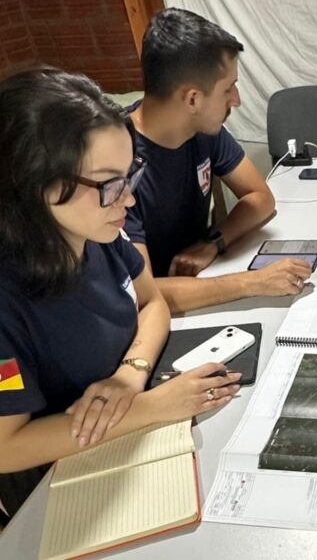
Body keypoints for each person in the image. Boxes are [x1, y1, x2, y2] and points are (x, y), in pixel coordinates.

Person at [0, 68, 241, 522]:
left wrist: (130, 376)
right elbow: (6, 448)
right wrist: (150, 407)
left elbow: (153, 304)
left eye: (130, 177)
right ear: (34, 185)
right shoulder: (9, 298)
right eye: (109, 185)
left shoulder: (100, 236)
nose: (127, 202)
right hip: (57, 484)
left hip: (126, 432)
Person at [126, 8, 311, 313]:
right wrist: (253, 282)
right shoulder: (114, 162)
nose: (236, 100)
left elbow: (260, 198)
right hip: (158, 315)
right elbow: (143, 292)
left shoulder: (202, 129)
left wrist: (212, 243)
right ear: (193, 99)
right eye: (228, 88)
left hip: (201, 285)